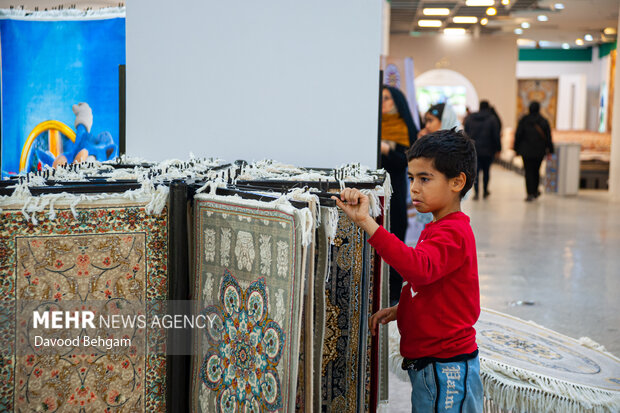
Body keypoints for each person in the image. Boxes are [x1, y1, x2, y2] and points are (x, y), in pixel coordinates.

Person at [333, 130, 483, 412]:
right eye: (412, 178)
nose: (414, 187)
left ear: (457, 181)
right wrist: (403, 308)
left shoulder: (453, 232)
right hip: (432, 366)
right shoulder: (438, 228)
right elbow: (435, 287)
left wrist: (368, 224)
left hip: (446, 368)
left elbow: (419, 269)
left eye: (425, 179)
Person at [380, 85, 418, 305]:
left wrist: (387, 150)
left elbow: (406, 161)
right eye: (381, 98)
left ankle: (394, 291)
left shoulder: (403, 127)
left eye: (387, 98)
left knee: (394, 235)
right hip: (375, 191)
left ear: (396, 101)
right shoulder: (375, 124)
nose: (383, 103)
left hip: (395, 189)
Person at [514, 101, 554, 202]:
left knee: (528, 172)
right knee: (536, 171)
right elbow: (548, 137)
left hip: (526, 151)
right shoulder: (543, 121)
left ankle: (529, 193)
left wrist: (516, 149)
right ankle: (535, 191)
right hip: (539, 151)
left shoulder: (524, 120)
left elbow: (518, 135)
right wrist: (550, 150)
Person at [464, 100, 501, 200]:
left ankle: (476, 193)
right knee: (486, 171)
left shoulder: (471, 118)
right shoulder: (492, 119)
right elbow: (496, 135)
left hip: (474, 150)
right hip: (488, 150)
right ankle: (485, 191)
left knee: (475, 172)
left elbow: (465, 133)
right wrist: (498, 148)